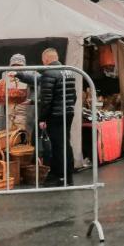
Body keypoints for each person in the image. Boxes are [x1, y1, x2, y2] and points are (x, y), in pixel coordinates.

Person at [36, 48, 77, 186]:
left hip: (55, 115)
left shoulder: (48, 73)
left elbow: (46, 100)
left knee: (58, 146)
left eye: (43, 62)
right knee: (66, 144)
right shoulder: (69, 71)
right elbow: (74, 95)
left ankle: (60, 177)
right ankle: (68, 175)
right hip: (68, 112)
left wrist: (42, 118)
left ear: (46, 60)